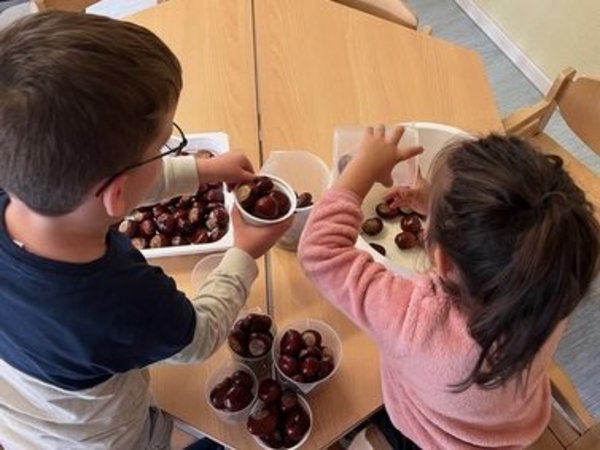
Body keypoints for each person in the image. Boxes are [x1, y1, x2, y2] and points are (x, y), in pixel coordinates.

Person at [0, 11, 290, 449]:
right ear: (116, 194)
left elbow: (116, 182)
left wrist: (202, 170)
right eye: (161, 146)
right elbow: (199, 337)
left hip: (24, 417)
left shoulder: (23, 183)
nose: (165, 152)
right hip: (104, 438)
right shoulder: (118, 300)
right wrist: (244, 254)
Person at [298, 125, 600, 449]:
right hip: (506, 429)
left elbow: (320, 252)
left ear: (441, 260)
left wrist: (363, 169)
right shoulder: (554, 282)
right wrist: (437, 209)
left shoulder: (416, 320)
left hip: (430, 433)